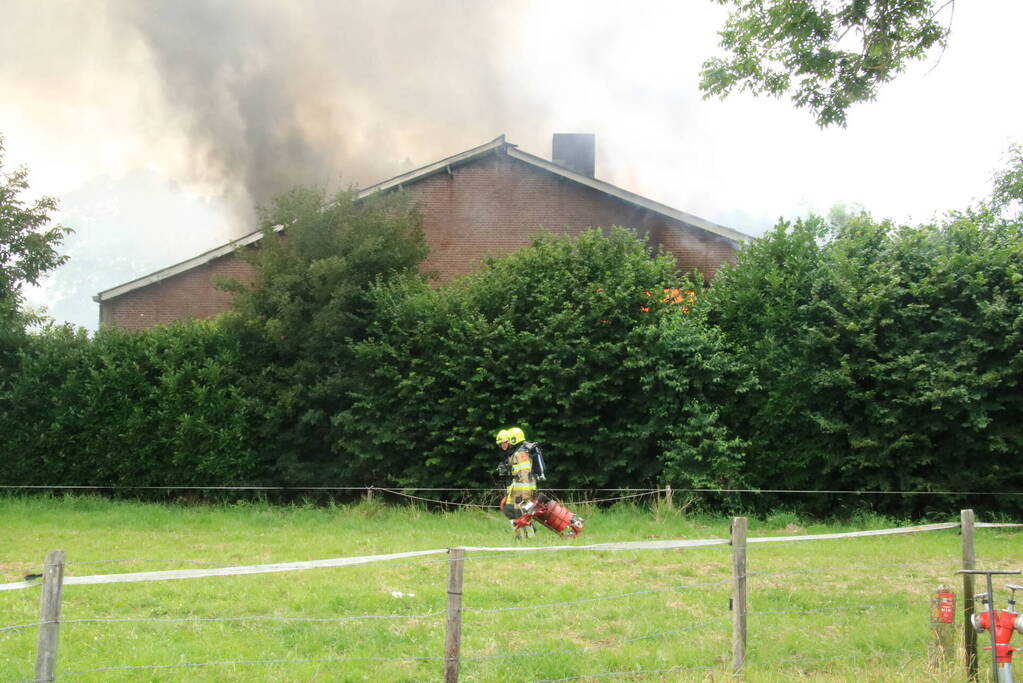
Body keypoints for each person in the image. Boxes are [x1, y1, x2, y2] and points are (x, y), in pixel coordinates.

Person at [496, 426, 546, 540]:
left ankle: (530, 538)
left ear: (513, 439)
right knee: (509, 511)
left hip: (524, 490)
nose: (505, 444)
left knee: (523, 514)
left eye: (508, 440)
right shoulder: (515, 453)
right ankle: (518, 536)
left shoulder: (522, 454)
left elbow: (525, 475)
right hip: (516, 490)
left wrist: (526, 494)